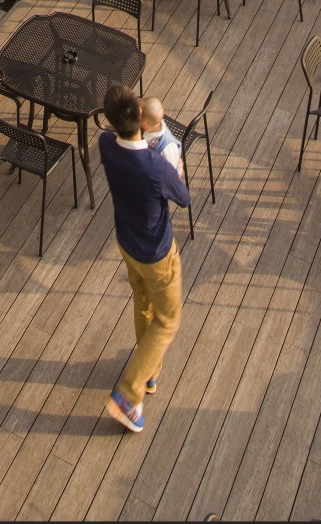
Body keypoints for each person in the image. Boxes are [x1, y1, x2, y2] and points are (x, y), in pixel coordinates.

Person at [98, 84, 192, 434]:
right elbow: (183, 198)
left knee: (143, 305)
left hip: (126, 243)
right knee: (167, 321)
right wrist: (177, 170)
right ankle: (129, 392)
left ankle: (149, 375)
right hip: (156, 253)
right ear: (141, 119)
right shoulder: (156, 168)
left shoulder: (106, 145)